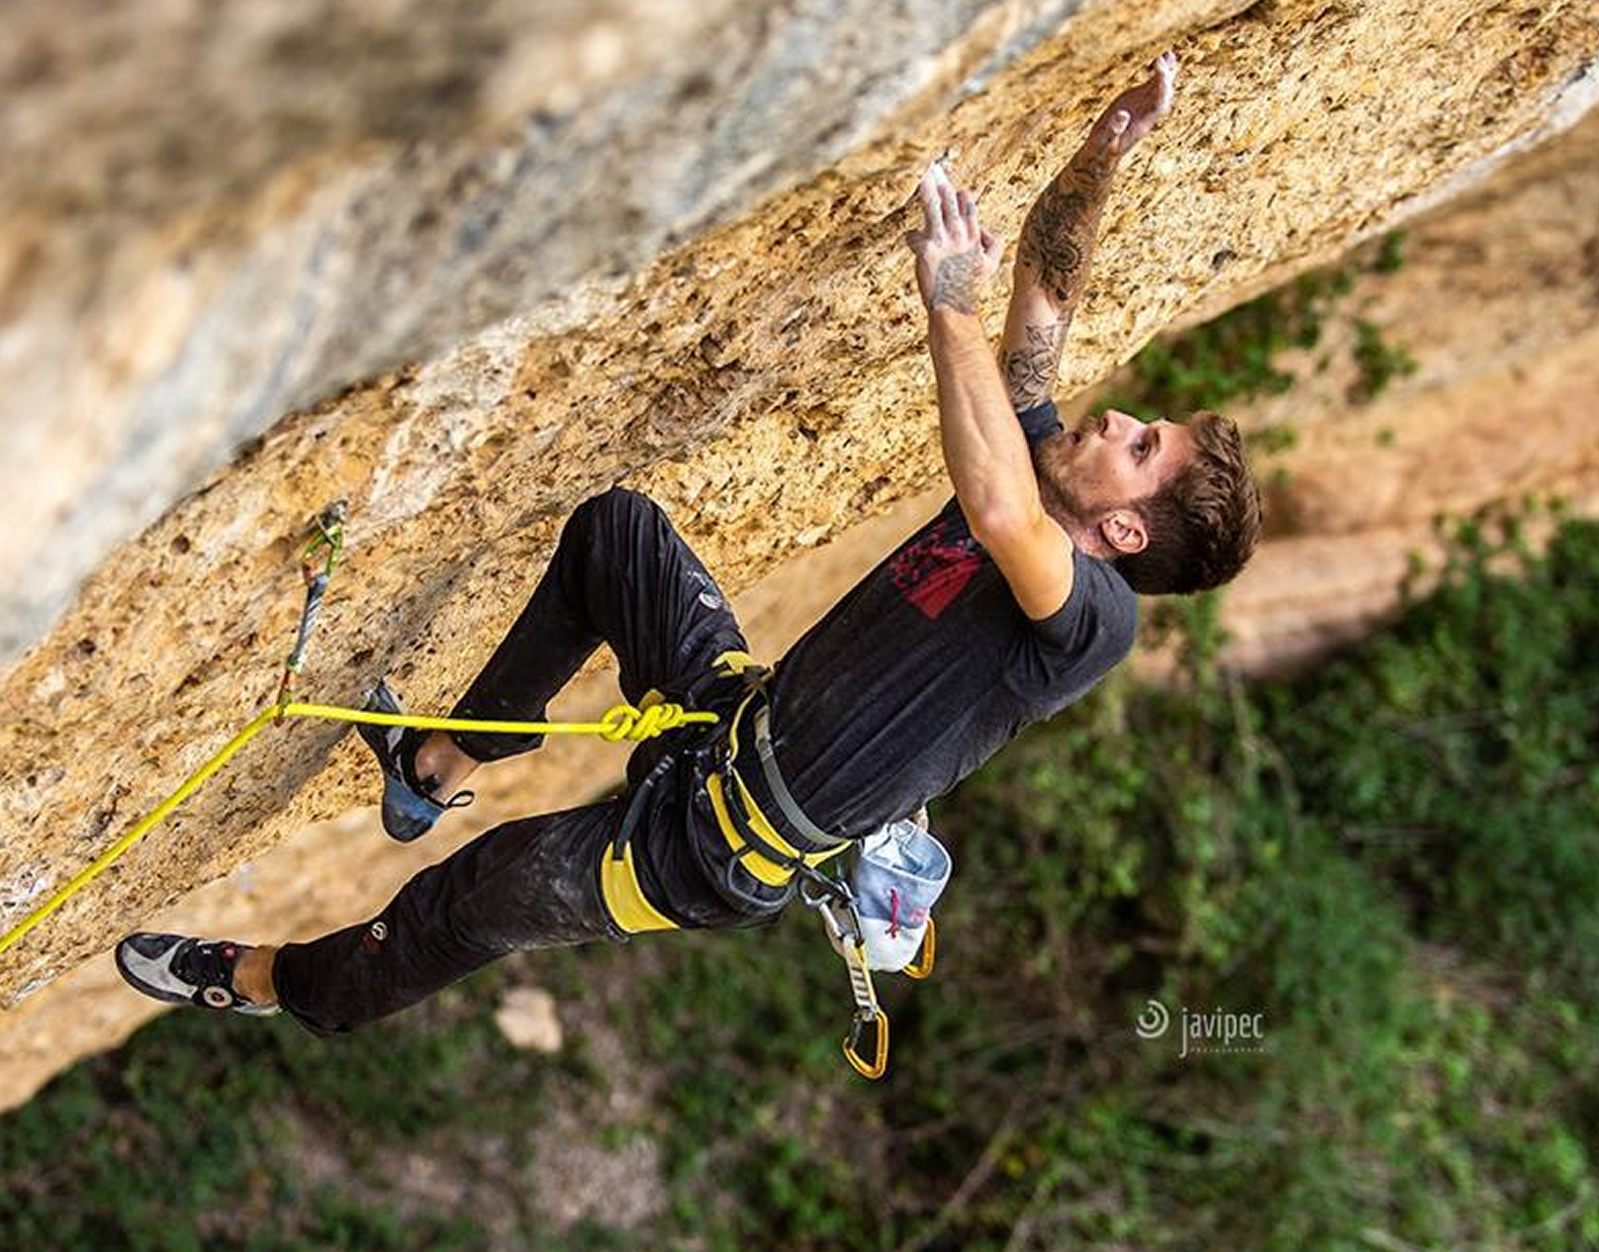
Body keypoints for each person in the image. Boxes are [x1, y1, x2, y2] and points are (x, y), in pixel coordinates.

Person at [116, 51, 1260, 1030]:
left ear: (1122, 527)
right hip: (733, 718)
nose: (1120, 419)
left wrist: (944, 301)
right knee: (617, 536)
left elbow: (1002, 509)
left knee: (464, 905)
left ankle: (263, 980)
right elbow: (1047, 304)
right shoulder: (1043, 466)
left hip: (706, 853)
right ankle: (436, 765)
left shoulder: (1086, 624)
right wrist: (1109, 148)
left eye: (1143, 445)